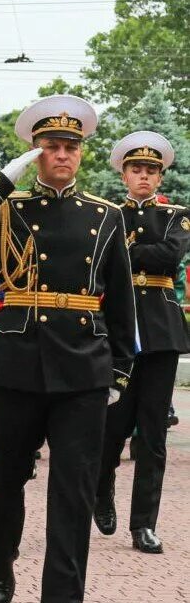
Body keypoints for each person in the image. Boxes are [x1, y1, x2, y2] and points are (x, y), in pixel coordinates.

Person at [0, 94, 135, 603]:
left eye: (71, 147)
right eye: (52, 146)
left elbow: (119, 300)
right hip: (18, 360)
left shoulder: (106, 215)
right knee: (6, 475)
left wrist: (120, 371)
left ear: (82, 155)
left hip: (83, 366)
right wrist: (4, 180)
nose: (62, 155)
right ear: (36, 152)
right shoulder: (9, 208)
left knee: (73, 486)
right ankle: (1, 555)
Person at [95, 131, 189, 555]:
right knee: (113, 426)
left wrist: (129, 253)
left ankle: (143, 524)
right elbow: (97, 259)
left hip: (159, 330)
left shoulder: (177, 216)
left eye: (151, 170)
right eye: (136, 170)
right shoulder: (107, 215)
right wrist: (139, 252)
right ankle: (101, 490)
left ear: (160, 176)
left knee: (152, 434)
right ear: (124, 174)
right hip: (118, 329)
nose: (144, 176)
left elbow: (169, 256)